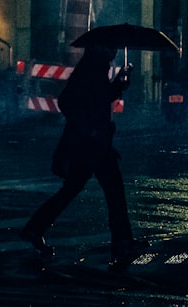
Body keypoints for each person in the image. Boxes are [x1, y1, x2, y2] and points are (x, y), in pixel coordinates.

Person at [19, 44, 147, 265]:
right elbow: (70, 102)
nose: (114, 52)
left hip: (90, 141)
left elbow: (98, 98)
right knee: (113, 189)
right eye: (111, 49)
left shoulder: (93, 68)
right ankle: (122, 241)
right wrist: (90, 126)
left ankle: (35, 227)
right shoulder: (92, 70)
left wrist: (119, 85)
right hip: (92, 142)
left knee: (73, 188)